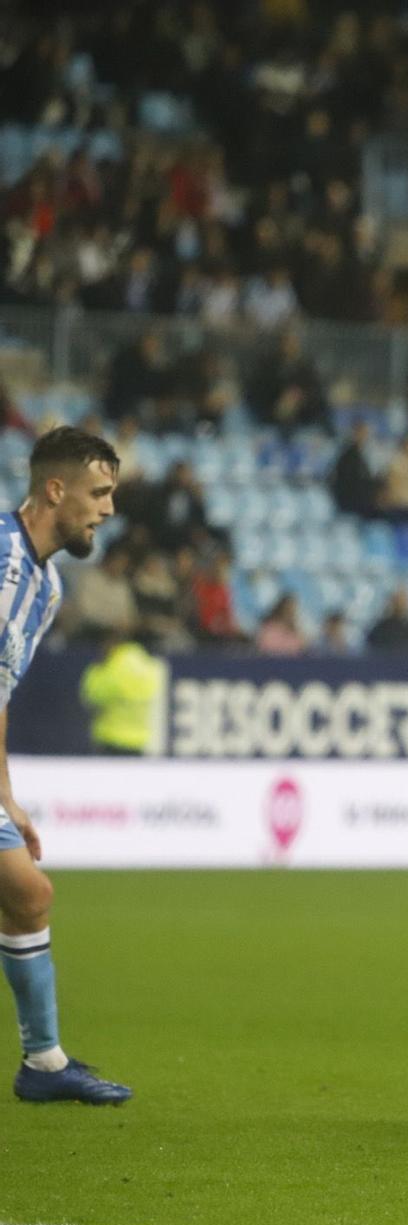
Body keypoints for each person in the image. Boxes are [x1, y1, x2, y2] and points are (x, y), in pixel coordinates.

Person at [2, 428, 133, 1104]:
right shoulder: (1, 566)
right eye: (99, 492)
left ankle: (44, 1063)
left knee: (29, 895)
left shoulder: (45, 586)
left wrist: (7, 798)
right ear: (55, 489)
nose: (108, 509)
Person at [79, 632, 166, 755]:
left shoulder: (112, 666)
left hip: (111, 737)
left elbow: (93, 696)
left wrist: (95, 672)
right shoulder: (147, 664)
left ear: (113, 644)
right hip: (139, 738)